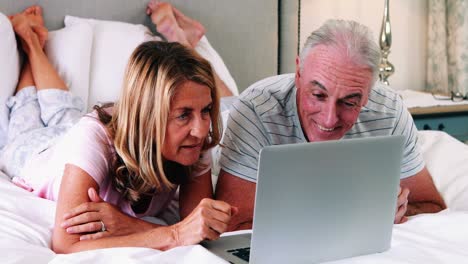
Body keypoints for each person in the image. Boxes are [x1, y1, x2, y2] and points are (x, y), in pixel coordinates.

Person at [2, 6, 236, 253]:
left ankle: (34, 44)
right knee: (29, 112)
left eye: (206, 110)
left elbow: (197, 229)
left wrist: (129, 224)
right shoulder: (94, 136)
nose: (200, 130)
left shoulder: (193, 141)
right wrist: (173, 234)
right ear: (146, 115)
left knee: (64, 110)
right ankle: (29, 43)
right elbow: (65, 243)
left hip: (81, 133)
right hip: (37, 151)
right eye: (183, 115)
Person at [215, 19, 447, 231]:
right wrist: (349, 215)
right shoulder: (255, 111)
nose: (329, 120)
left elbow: (432, 206)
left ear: (369, 94)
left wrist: (396, 211)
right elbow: (233, 225)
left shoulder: (389, 110)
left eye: (349, 102)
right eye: (318, 94)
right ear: (298, 73)